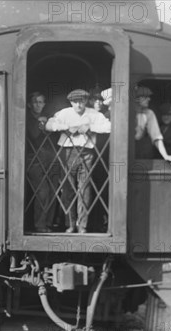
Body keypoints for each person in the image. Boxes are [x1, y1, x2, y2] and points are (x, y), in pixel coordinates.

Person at [45, 89, 111, 234]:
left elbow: (109, 127)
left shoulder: (94, 114)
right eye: (75, 102)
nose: (79, 105)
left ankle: (82, 226)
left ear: (86, 101)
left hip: (87, 153)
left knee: (85, 190)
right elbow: (49, 124)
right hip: (68, 153)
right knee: (67, 189)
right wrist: (66, 128)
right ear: (71, 102)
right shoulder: (65, 113)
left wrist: (90, 127)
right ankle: (70, 224)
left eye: (81, 101)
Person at [25, 91, 61, 233]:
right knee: (42, 191)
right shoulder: (28, 118)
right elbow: (34, 134)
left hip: (50, 156)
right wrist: (41, 122)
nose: (38, 104)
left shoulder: (48, 118)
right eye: (35, 102)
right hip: (33, 158)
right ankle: (40, 225)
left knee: (52, 190)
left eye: (41, 102)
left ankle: (48, 224)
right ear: (29, 104)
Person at [133, 86, 171, 162]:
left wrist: (165, 156)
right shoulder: (126, 111)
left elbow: (156, 136)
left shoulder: (149, 113)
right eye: (145, 97)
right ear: (137, 98)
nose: (149, 99)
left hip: (141, 155)